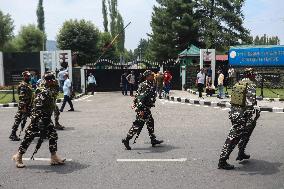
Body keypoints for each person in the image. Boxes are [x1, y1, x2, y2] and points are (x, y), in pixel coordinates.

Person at [12, 72, 65, 168]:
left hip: (46, 116)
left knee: (53, 135)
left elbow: (54, 94)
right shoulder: (41, 90)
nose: (50, 81)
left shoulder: (53, 86)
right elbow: (37, 105)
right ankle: (18, 156)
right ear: (45, 80)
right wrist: (40, 119)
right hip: (39, 116)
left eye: (52, 79)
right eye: (48, 79)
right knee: (29, 136)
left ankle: (54, 157)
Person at [218, 68, 261, 170]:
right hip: (242, 115)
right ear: (250, 75)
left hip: (234, 113)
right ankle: (222, 161)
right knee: (233, 137)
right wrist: (255, 111)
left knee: (248, 129)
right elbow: (250, 103)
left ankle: (241, 152)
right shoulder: (250, 85)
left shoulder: (238, 83)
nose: (254, 76)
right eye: (253, 74)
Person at [122, 70, 163, 150]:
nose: (153, 76)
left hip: (146, 108)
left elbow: (137, 95)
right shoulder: (145, 85)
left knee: (150, 122)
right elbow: (140, 98)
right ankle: (126, 140)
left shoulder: (148, 84)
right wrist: (141, 110)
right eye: (151, 75)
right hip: (143, 108)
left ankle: (153, 140)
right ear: (147, 76)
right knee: (137, 125)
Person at [9, 71, 33, 141]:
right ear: (24, 77)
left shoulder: (27, 84)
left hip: (28, 105)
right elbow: (22, 97)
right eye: (27, 76)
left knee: (34, 118)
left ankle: (34, 131)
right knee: (19, 119)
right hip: (24, 105)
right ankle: (13, 134)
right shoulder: (23, 85)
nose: (29, 77)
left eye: (29, 76)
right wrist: (24, 107)